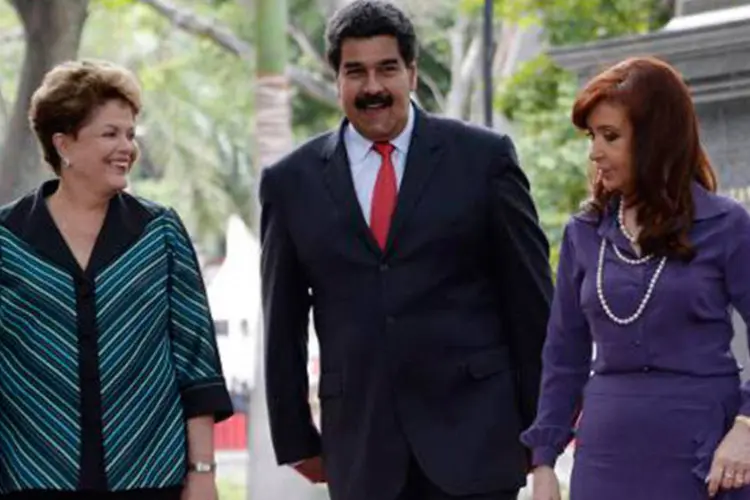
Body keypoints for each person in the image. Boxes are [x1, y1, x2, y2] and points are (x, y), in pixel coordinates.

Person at [259, 1, 553, 499]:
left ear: (412, 73)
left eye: (387, 69)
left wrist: (542, 427)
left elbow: (530, 300)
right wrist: (294, 437)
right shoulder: (290, 183)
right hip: (362, 447)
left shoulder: (484, 159)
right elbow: (282, 321)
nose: (373, 87)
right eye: (356, 72)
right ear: (337, 80)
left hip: (477, 438)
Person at [0, 60, 233, 499]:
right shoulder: (8, 239)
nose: (127, 146)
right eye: (110, 133)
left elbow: (195, 359)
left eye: (130, 133)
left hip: (149, 474)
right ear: (63, 143)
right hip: (35, 474)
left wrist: (202, 471)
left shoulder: (159, 231)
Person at [522, 56, 750, 500]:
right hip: (606, 456)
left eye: (610, 137)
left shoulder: (726, 225)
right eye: (592, 137)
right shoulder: (583, 234)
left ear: (657, 140)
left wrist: (746, 427)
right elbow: (563, 355)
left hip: (707, 452)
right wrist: (544, 461)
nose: (594, 152)